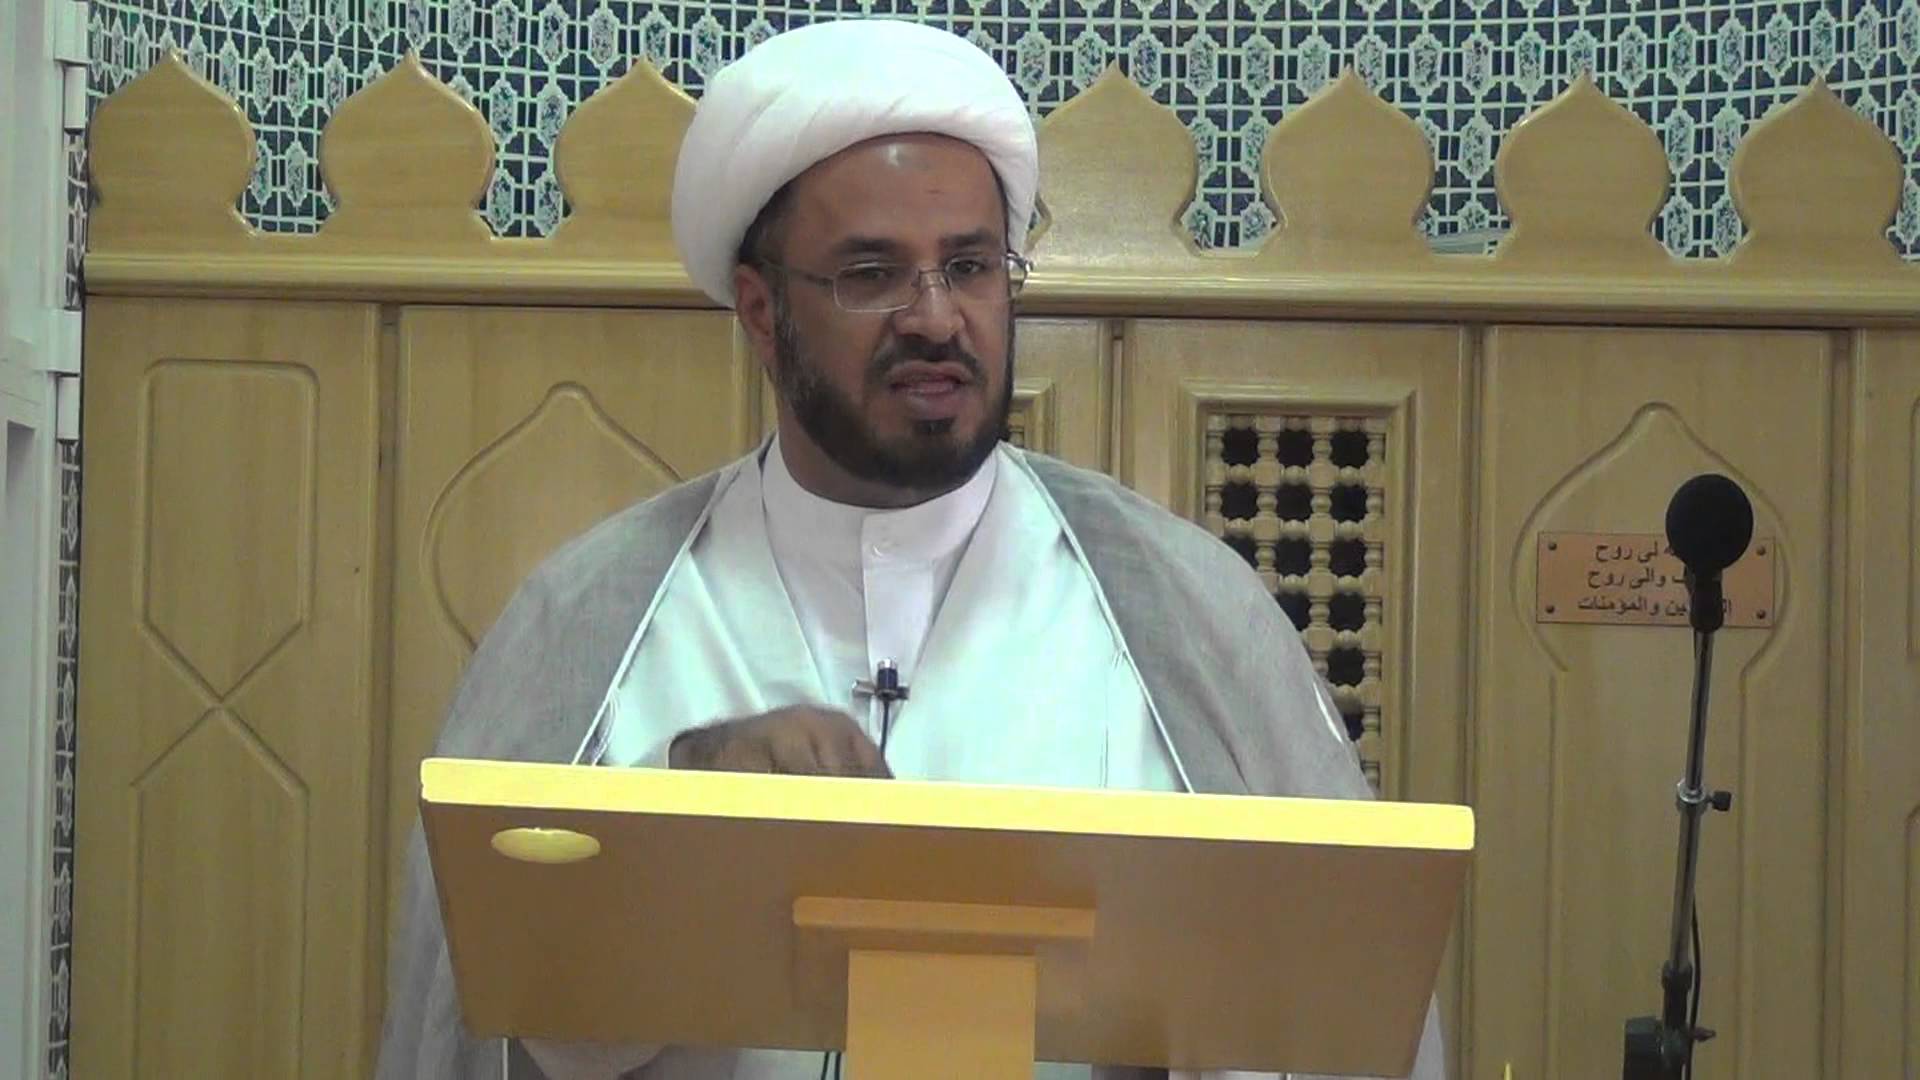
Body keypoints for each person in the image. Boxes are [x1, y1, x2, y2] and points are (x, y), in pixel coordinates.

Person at [375, 18, 1446, 1080]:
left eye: (970, 266)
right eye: (871, 273)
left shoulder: (1185, 611)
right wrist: (679, 824)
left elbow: (1336, 1014)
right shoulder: (589, 620)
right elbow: (482, 1035)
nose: (936, 318)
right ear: (760, 310)